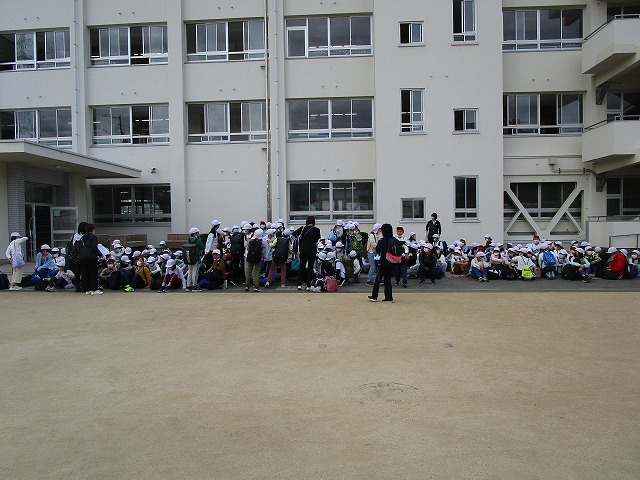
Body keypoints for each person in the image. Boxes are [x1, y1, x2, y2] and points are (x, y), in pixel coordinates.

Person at [292, 216, 322, 291]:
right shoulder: (317, 230)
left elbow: (293, 233)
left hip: (303, 250)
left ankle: (299, 285)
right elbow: (317, 239)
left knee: (301, 267)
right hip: (312, 251)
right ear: (314, 222)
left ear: (307, 222)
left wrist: (300, 238)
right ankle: (308, 285)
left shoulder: (302, 228)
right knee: (310, 268)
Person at [368, 223, 395, 303]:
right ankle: (389, 297)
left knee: (378, 279)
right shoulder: (394, 240)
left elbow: (377, 250)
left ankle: (374, 296)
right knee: (388, 280)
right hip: (392, 262)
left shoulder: (382, 241)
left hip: (383, 262)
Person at [78, 223, 103, 295]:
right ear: (92, 229)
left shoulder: (82, 237)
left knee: (85, 274)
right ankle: (94, 289)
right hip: (91, 257)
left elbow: (80, 247)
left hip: (83, 257)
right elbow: (94, 247)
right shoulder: (93, 237)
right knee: (93, 273)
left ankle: (87, 289)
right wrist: (100, 254)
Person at [67, 222, 87, 292]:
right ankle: (84, 286)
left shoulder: (74, 236)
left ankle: (77, 287)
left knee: (77, 273)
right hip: (83, 257)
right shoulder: (85, 236)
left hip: (75, 257)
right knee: (84, 272)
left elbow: (71, 247)